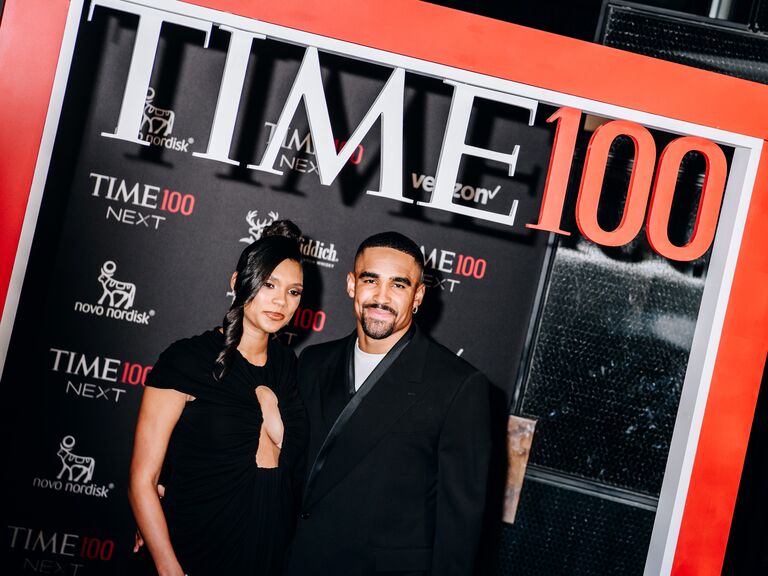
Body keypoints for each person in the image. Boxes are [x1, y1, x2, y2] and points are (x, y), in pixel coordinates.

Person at [286, 231, 492, 576]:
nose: (381, 298)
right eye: (371, 280)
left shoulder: (458, 385)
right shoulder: (312, 362)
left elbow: (459, 529)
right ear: (352, 284)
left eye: (398, 285)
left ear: (418, 296)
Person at [128, 220, 308, 576]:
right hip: (193, 547)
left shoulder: (289, 366)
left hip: (264, 551)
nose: (280, 300)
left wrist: (269, 401)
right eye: (269, 284)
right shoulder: (188, 360)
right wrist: (168, 567)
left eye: (294, 291)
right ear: (237, 281)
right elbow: (142, 480)